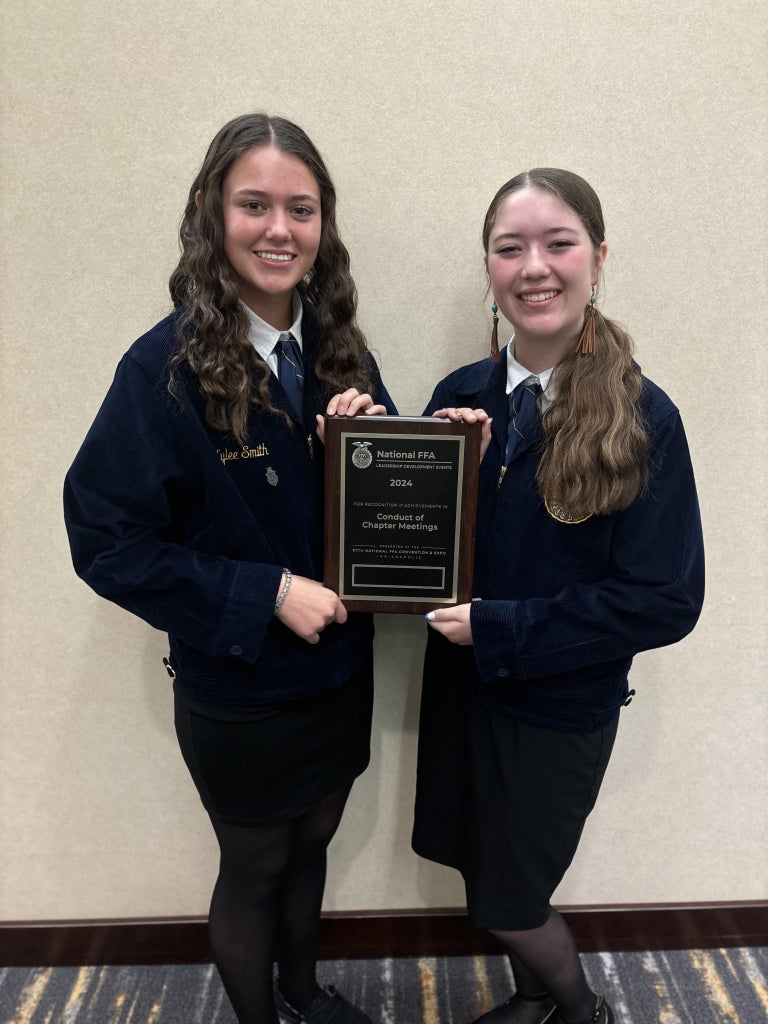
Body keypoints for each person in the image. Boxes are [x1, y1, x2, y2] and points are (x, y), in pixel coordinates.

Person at [64, 113, 396, 1024]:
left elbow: (396, 511)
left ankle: (302, 992)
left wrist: (368, 439)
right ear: (213, 214)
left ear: (325, 225)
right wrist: (265, 593)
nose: (280, 229)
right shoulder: (160, 368)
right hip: (240, 688)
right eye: (254, 204)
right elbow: (106, 540)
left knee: (314, 843)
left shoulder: (341, 353)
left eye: (302, 207)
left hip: (338, 673)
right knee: (255, 864)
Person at [412, 169, 704, 1024]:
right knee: (480, 867)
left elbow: (664, 599)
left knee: (512, 895)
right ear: (490, 270)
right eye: (511, 248)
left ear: (598, 258)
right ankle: (536, 1002)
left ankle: (582, 1009)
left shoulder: (646, 418)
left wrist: (501, 628)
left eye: (558, 243)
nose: (534, 266)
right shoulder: (458, 399)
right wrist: (380, 447)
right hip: (463, 694)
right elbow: (413, 552)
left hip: (557, 708)